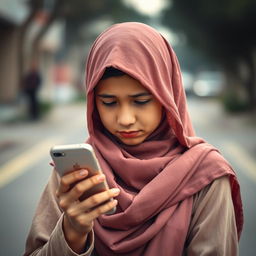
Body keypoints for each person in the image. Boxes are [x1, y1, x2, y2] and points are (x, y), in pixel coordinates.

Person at [23, 22, 243, 256]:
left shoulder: (206, 175)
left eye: (141, 101)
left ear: (166, 96)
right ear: (93, 102)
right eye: (109, 102)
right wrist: (72, 233)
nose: (125, 119)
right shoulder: (78, 173)